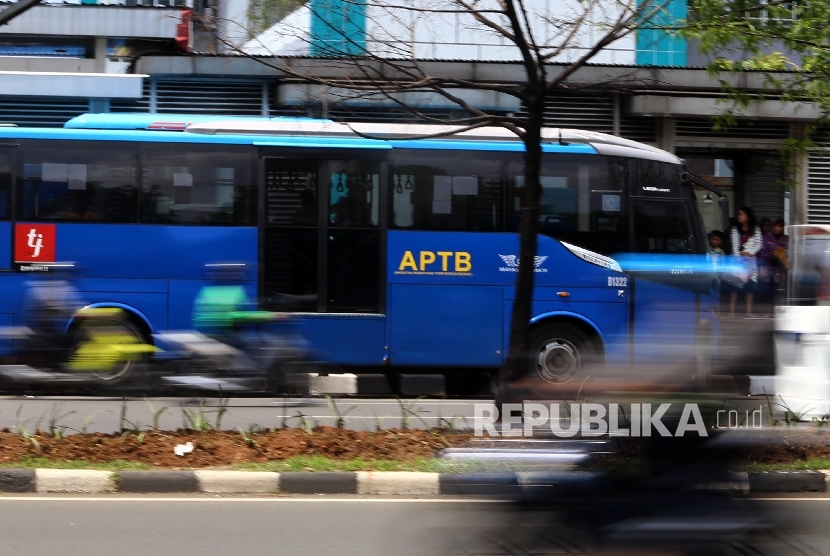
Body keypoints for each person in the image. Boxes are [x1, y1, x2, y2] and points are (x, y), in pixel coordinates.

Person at [729, 206, 762, 317]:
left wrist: (749, 253)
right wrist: (739, 257)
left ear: (747, 216)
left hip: (750, 262)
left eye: (741, 214)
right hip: (737, 261)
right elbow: (734, 246)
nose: (739, 216)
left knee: (749, 287)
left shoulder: (755, 229)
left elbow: (759, 244)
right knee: (735, 286)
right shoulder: (735, 229)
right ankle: (731, 311)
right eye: (738, 214)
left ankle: (748, 312)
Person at [760, 218, 789, 311]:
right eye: (776, 226)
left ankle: (773, 310)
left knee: (775, 290)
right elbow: (763, 252)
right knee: (767, 289)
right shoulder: (767, 236)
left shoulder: (785, 239)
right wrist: (762, 268)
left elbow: (786, 256)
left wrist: (784, 271)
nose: (777, 228)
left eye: (780, 227)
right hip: (768, 267)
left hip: (778, 268)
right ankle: (767, 309)